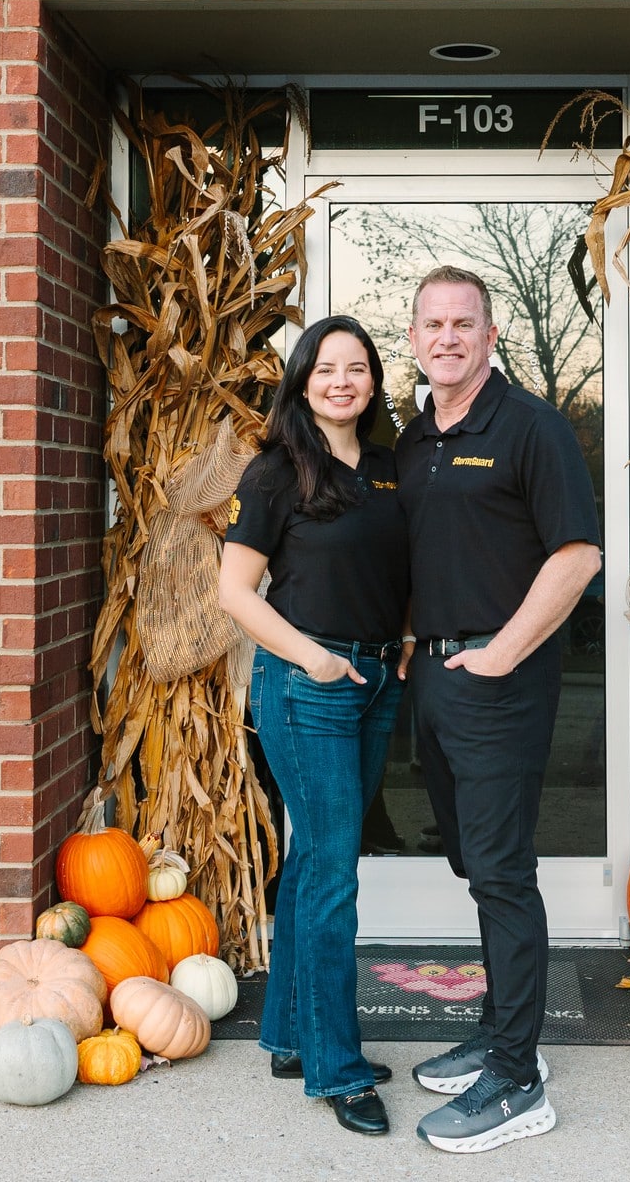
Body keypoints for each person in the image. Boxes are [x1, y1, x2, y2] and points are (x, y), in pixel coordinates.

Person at [397, 266, 602, 1154]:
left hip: (497, 680)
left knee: (504, 873)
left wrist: (500, 654)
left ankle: (519, 1079)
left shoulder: (530, 427)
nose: (447, 337)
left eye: (463, 324)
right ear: (413, 338)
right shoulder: (413, 440)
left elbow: (577, 555)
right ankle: (498, 1029)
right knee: (474, 866)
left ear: (489, 336)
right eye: (432, 324)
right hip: (435, 680)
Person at [218, 315, 411, 1138]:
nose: (342, 380)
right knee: (333, 874)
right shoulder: (274, 473)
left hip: (373, 682)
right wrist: (318, 661)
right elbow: (233, 593)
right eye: (326, 367)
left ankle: (292, 1034)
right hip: (307, 687)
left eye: (357, 367)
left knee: (313, 861)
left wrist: (399, 638)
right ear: (301, 382)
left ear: (372, 382)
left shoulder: (390, 472)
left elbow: (398, 567)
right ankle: (336, 1070)